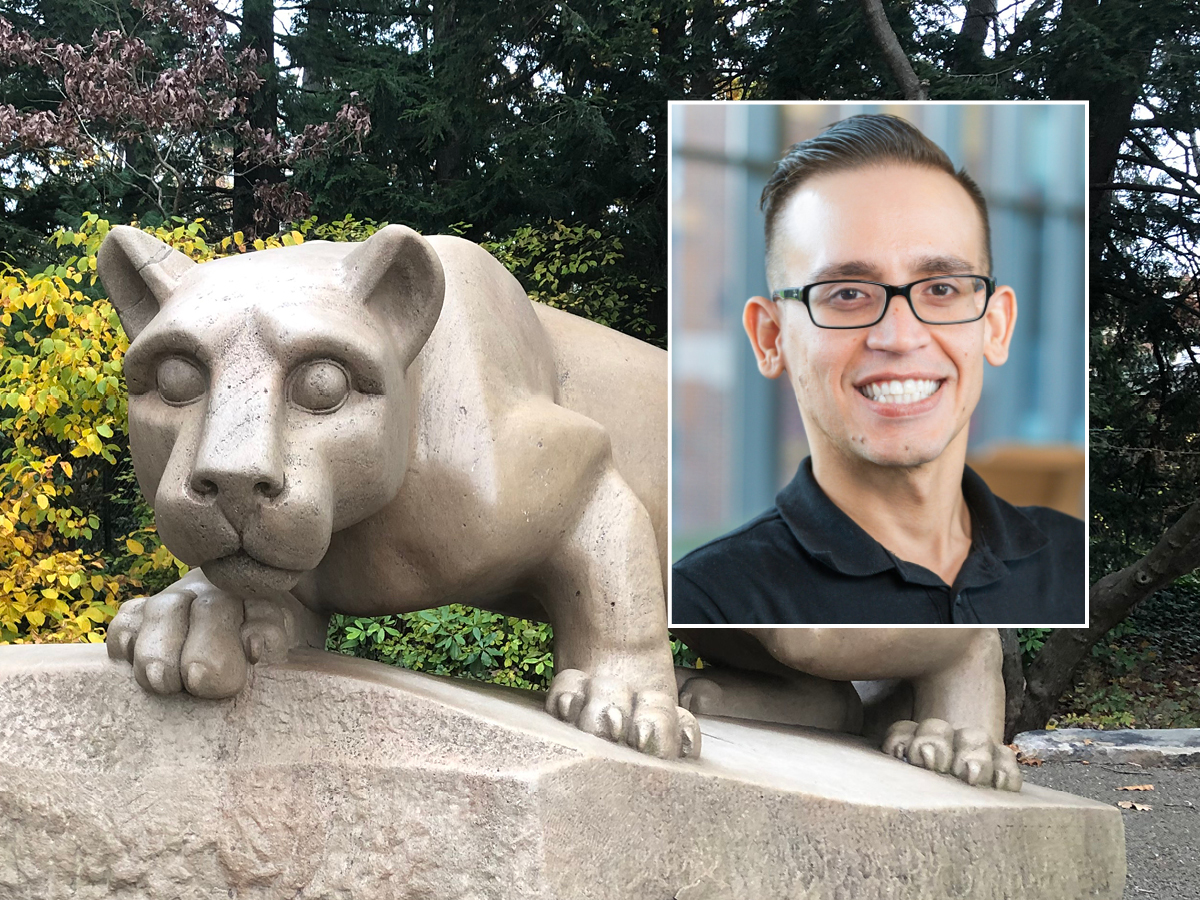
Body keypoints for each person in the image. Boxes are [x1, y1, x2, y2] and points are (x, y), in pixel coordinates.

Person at [671, 114, 1084, 625]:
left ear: (995, 327)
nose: (900, 337)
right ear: (770, 337)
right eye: (847, 294)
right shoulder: (709, 604)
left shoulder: (1078, 566)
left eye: (940, 289)